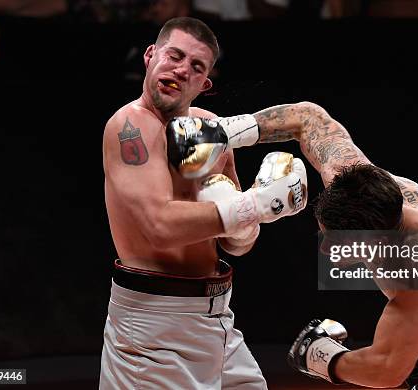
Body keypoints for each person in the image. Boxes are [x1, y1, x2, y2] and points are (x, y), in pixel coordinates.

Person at [172, 101, 418, 389]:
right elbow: (307, 118)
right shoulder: (354, 179)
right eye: (324, 232)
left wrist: (318, 354)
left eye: (336, 242)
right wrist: (221, 132)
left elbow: (387, 370)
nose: (325, 248)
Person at [100, 17, 307, 389]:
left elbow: (237, 244)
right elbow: (159, 226)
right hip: (154, 326)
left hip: (217, 315)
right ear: (151, 56)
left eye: (196, 66)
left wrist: (259, 210)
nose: (181, 69)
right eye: (174, 56)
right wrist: (254, 206)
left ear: (204, 83)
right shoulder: (130, 125)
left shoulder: (213, 128)